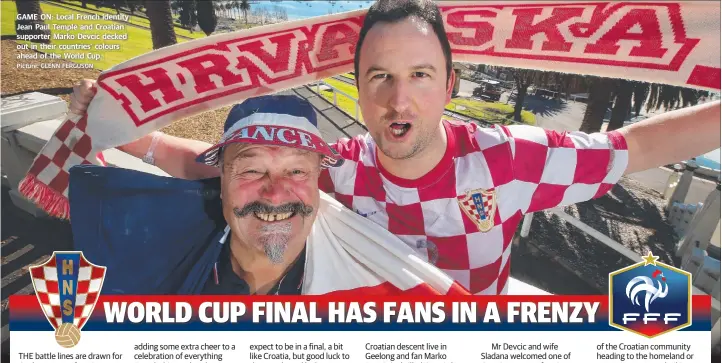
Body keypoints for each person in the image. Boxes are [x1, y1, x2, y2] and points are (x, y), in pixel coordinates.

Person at [69, 0, 721, 294]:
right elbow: (216, 164)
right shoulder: (340, 170)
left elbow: (632, 145)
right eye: (379, 77)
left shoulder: (512, 158)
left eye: (419, 76)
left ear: (450, 84)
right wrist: (129, 128)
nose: (398, 100)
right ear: (357, 87)